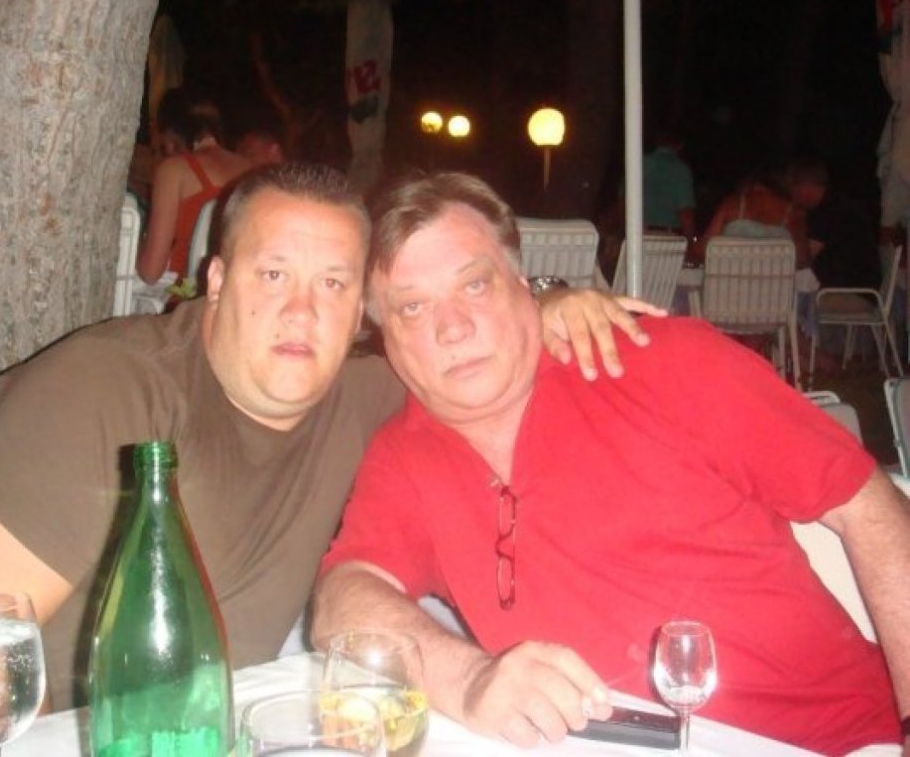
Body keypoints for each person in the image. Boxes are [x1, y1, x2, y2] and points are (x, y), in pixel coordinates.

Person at [0, 163, 658, 713]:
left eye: (333, 284)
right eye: (273, 275)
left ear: (360, 312)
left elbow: (474, 352)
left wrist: (547, 303)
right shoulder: (98, 394)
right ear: (217, 281)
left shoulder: (365, 396)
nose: (301, 313)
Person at [312, 171, 908, 756]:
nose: (452, 328)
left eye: (475, 285)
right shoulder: (404, 454)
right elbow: (344, 597)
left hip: (833, 742)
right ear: (384, 336)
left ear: (522, 283)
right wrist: (468, 680)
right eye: (412, 307)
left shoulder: (665, 363)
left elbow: (869, 505)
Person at [135, 94, 252, 284]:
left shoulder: (174, 170)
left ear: (170, 134)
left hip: (188, 293)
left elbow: (150, 271)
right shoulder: (253, 169)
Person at [788, 156, 882, 291]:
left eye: (793, 188)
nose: (792, 196)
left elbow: (803, 260)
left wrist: (796, 219)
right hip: (848, 287)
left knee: (789, 296)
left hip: (849, 292)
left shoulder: (828, 210)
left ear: (805, 186)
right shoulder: (833, 202)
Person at [693, 173, 812, 268]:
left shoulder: (732, 204)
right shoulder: (795, 214)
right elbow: (803, 261)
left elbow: (703, 250)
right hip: (776, 289)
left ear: (754, 186)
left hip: (729, 286)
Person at [642, 128, 696, 241]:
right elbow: (685, 212)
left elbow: (623, 200)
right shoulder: (680, 170)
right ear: (680, 145)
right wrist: (690, 240)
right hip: (667, 236)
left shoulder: (640, 163)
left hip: (638, 233)